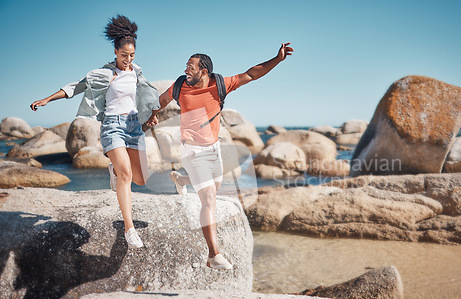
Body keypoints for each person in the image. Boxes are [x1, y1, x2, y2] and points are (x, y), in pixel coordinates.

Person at [147, 43, 294, 269]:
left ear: (203, 71)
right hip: (192, 151)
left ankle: (182, 179)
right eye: (186, 66)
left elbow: (252, 74)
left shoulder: (219, 85)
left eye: (191, 67)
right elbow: (163, 100)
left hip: (213, 149)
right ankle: (213, 255)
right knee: (208, 200)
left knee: (213, 188)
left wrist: (277, 59)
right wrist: (153, 115)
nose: (186, 70)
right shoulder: (180, 86)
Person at [30, 15, 160, 248]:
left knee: (141, 178)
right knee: (127, 176)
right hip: (112, 127)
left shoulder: (137, 71)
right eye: (124, 55)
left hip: (133, 127)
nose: (128, 60)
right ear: (115, 51)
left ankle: (113, 169)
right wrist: (48, 99)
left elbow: (146, 94)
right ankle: (128, 228)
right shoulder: (104, 73)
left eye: (132, 55)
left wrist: (151, 113)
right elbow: (77, 86)